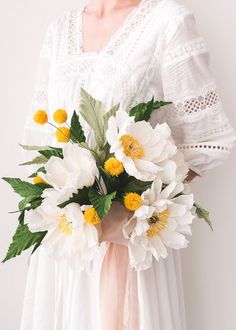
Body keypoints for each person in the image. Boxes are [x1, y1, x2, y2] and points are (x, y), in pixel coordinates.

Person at [20, 0, 236, 329]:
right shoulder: (59, 30)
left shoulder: (169, 23)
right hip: (67, 242)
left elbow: (206, 141)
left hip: (129, 240)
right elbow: (40, 146)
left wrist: (137, 206)